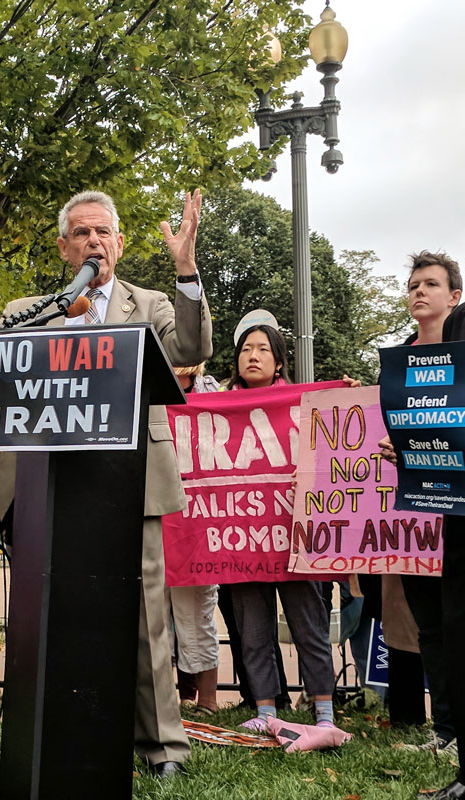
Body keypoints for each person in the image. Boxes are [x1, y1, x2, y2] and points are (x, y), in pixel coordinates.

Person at [0, 190, 212, 776]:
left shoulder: (150, 304)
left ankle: (162, 748)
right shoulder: (33, 309)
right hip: (46, 488)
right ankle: (55, 731)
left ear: (118, 242)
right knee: (47, 619)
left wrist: (187, 270)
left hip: (130, 483)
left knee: (145, 621)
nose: (94, 241)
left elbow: (192, 347)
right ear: (65, 247)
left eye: (103, 232)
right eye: (81, 233)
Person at [226, 323, 350, 740]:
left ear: (279, 361)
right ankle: (265, 709)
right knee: (254, 629)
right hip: (243, 538)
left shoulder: (309, 405)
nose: (253, 356)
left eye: (263, 349)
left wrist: (348, 395)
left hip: (297, 535)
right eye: (246, 349)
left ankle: (323, 712)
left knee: (309, 627)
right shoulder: (216, 409)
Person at [380, 252, 465, 800]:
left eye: (431, 284)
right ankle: (447, 730)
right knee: (432, 625)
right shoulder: (398, 364)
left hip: (458, 511)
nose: (419, 292)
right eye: (413, 285)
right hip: (418, 513)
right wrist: (401, 450)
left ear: (454, 296)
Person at [166, 364, 221, 714]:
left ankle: (209, 701)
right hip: (155, 515)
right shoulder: (143, 388)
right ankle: (159, 699)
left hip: (197, 524)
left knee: (196, 614)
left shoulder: (214, 394)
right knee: (149, 617)